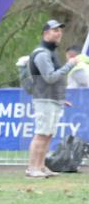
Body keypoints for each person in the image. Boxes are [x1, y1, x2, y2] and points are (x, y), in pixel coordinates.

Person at [26, 20, 78, 178]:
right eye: (55, 30)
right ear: (46, 33)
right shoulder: (42, 54)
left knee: (48, 134)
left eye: (60, 31)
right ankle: (32, 168)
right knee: (41, 134)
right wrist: (70, 65)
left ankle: (41, 167)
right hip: (44, 100)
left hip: (52, 99)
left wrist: (61, 99)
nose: (58, 33)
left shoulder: (50, 53)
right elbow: (49, 78)